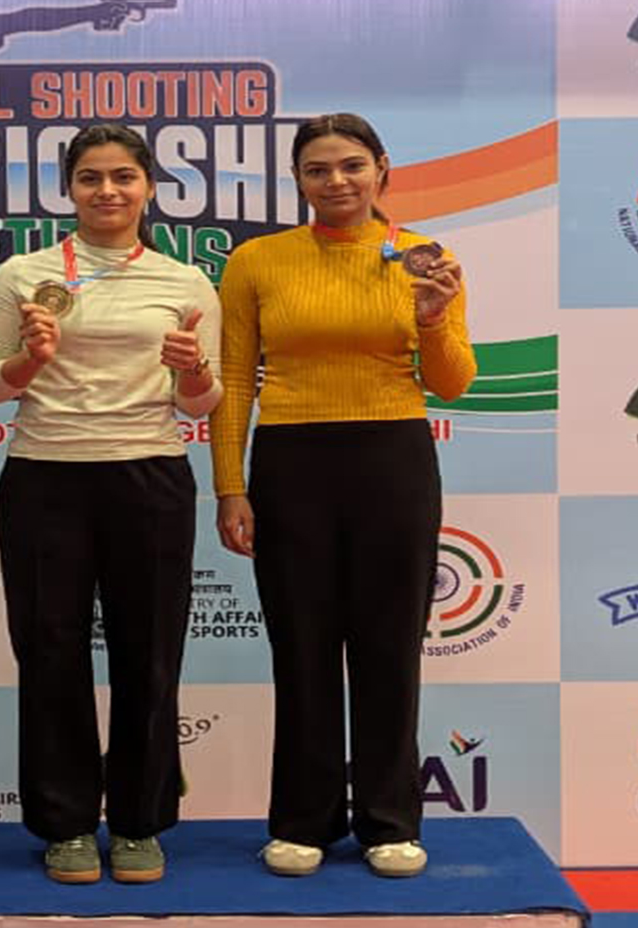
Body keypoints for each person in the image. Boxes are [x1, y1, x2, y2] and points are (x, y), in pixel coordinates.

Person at [211, 113, 475, 879]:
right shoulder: (258, 261)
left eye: (352, 166)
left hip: (393, 458)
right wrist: (231, 485)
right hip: (292, 462)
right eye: (319, 169)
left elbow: (454, 381)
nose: (337, 182)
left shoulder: (426, 259)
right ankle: (303, 820)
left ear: (382, 170)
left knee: (389, 648)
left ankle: (390, 820)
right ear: (296, 179)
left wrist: (431, 321)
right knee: (302, 649)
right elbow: (233, 383)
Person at [0, 124, 221, 885]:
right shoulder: (23, 274)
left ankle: (140, 823)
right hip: (46, 476)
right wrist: (29, 360)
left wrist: (194, 368)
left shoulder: (184, 281)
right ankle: (66, 824)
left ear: (149, 186)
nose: (107, 191)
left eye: (122, 177)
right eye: (89, 178)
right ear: (67, 189)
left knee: (150, 655)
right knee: (50, 653)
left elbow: (202, 405)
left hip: (150, 475)